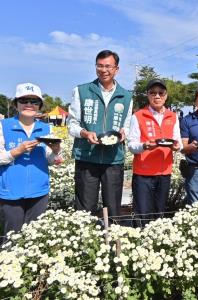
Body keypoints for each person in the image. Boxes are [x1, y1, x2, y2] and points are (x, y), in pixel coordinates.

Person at [0, 83, 62, 235]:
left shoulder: (46, 128)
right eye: (24, 100)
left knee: (33, 236)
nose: (29, 104)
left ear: (39, 106)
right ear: (16, 104)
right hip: (11, 191)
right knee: (13, 235)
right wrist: (17, 151)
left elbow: (51, 159)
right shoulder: (2, 125)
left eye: (34, 101)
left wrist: (56, 152)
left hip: (39, 191)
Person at [67, 50, 133, 218]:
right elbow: (71, 124)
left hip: (113, 158)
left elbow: (126, 124)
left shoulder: (126, 96)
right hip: (87, 156)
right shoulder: (81, 91)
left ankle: (111, 241)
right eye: (100, 66)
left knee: (113, 206)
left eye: (108, 66)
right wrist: (84, 133)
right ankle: (85, 241)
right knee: (85, 206)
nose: (104, 70)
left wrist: (124, 132)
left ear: (116, 69)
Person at [127, 79, 181, 226]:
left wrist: (176, 147)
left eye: (160, 93)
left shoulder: (173, 116)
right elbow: (131, 145)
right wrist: (144, 146)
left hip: (164, 172)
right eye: (153, 93)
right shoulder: (138, 116)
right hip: (143, 173)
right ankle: (140, 241)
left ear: (166, 95)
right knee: (142, 213)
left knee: (159, 212)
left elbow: (178, 142)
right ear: (147, 95)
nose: (157, 96)